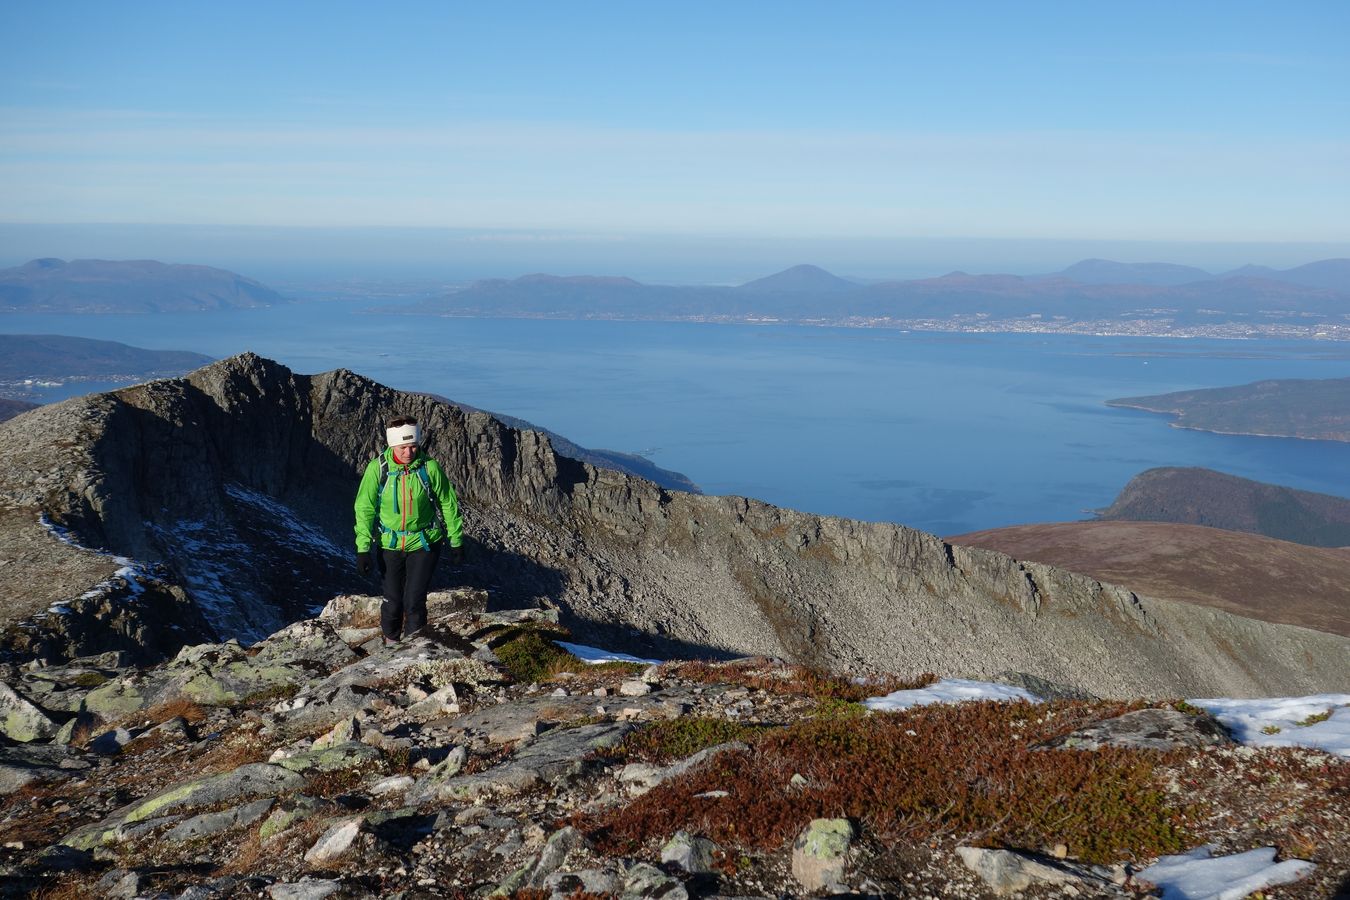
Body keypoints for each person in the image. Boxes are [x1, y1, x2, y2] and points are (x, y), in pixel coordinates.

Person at [354, 415, 464, 644]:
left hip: (424, 543)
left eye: (413, 446)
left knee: (414, 600)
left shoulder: (429, 467)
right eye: (403, 447)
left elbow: (448, 502)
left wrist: (456, 541)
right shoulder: (378, 469)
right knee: (393, 601)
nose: (409, 452)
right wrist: (363, 549)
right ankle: (391, 645)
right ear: (393, 445)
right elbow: (364, 507)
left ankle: (413, 650)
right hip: (389, 544)